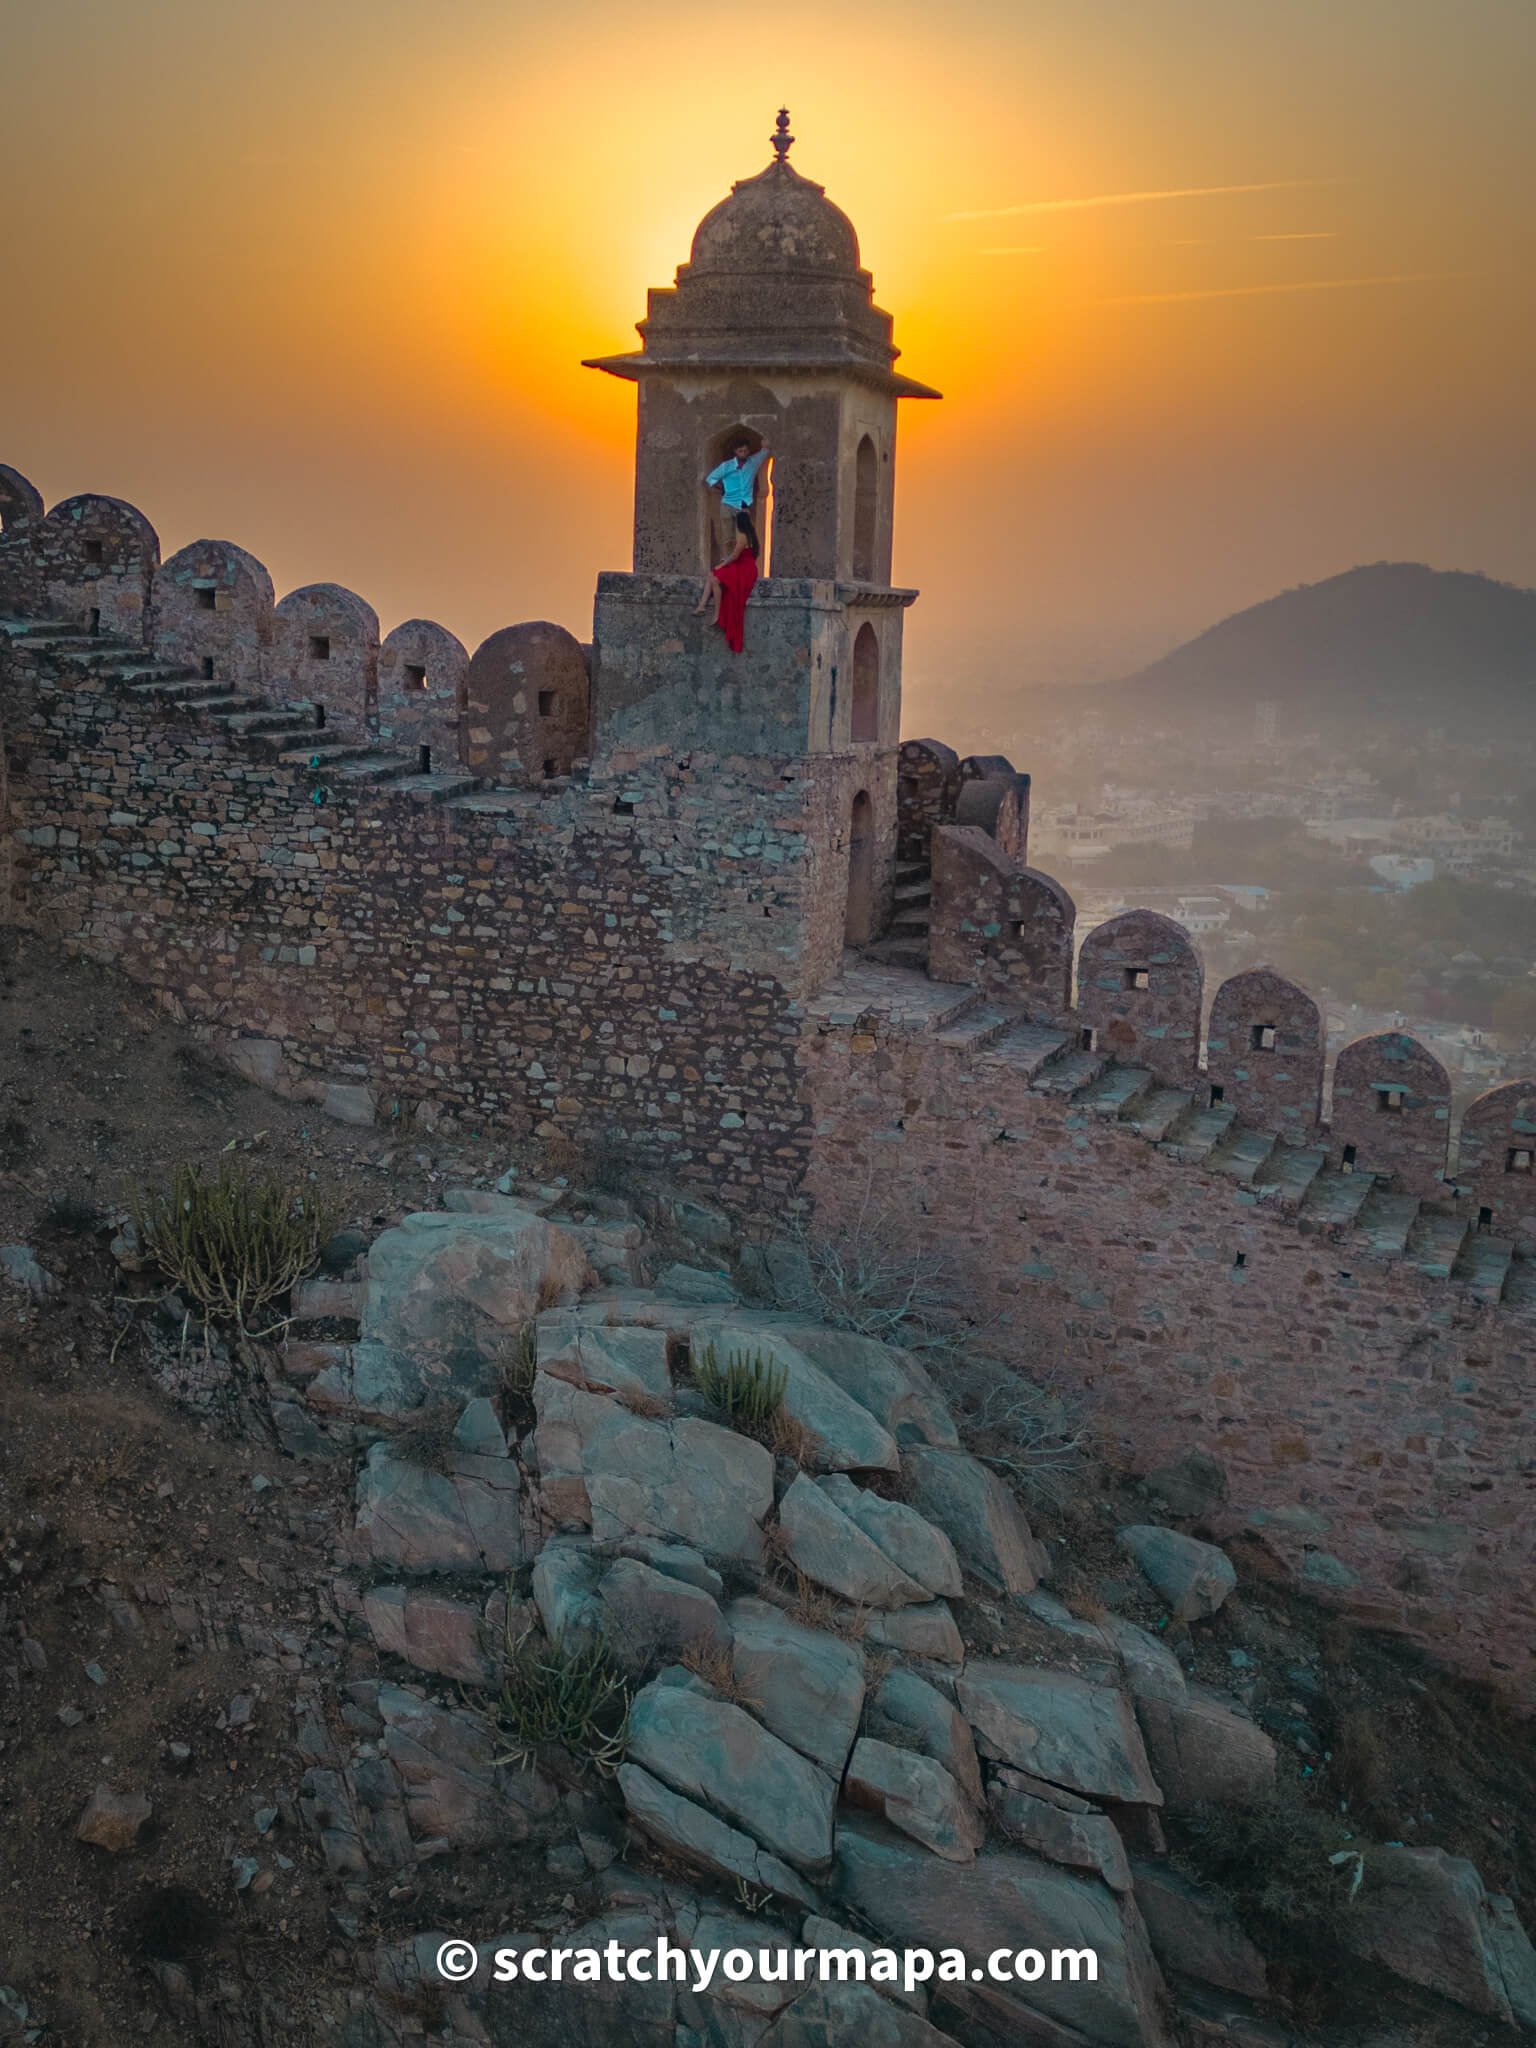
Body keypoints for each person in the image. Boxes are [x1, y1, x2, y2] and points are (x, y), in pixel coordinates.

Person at [694, 438, 768, 648]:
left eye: (746, 449)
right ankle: (711, 608)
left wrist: (766, 443)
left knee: (733, 544)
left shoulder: (753, 462)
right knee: (727, 538)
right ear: (736, 451)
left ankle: (713, 609)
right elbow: (710, 479)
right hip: (729, 504)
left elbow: (766, 450)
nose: (743, 453)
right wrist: (721, 489)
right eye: (740, 450)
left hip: (743, 505)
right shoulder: (727, 466)